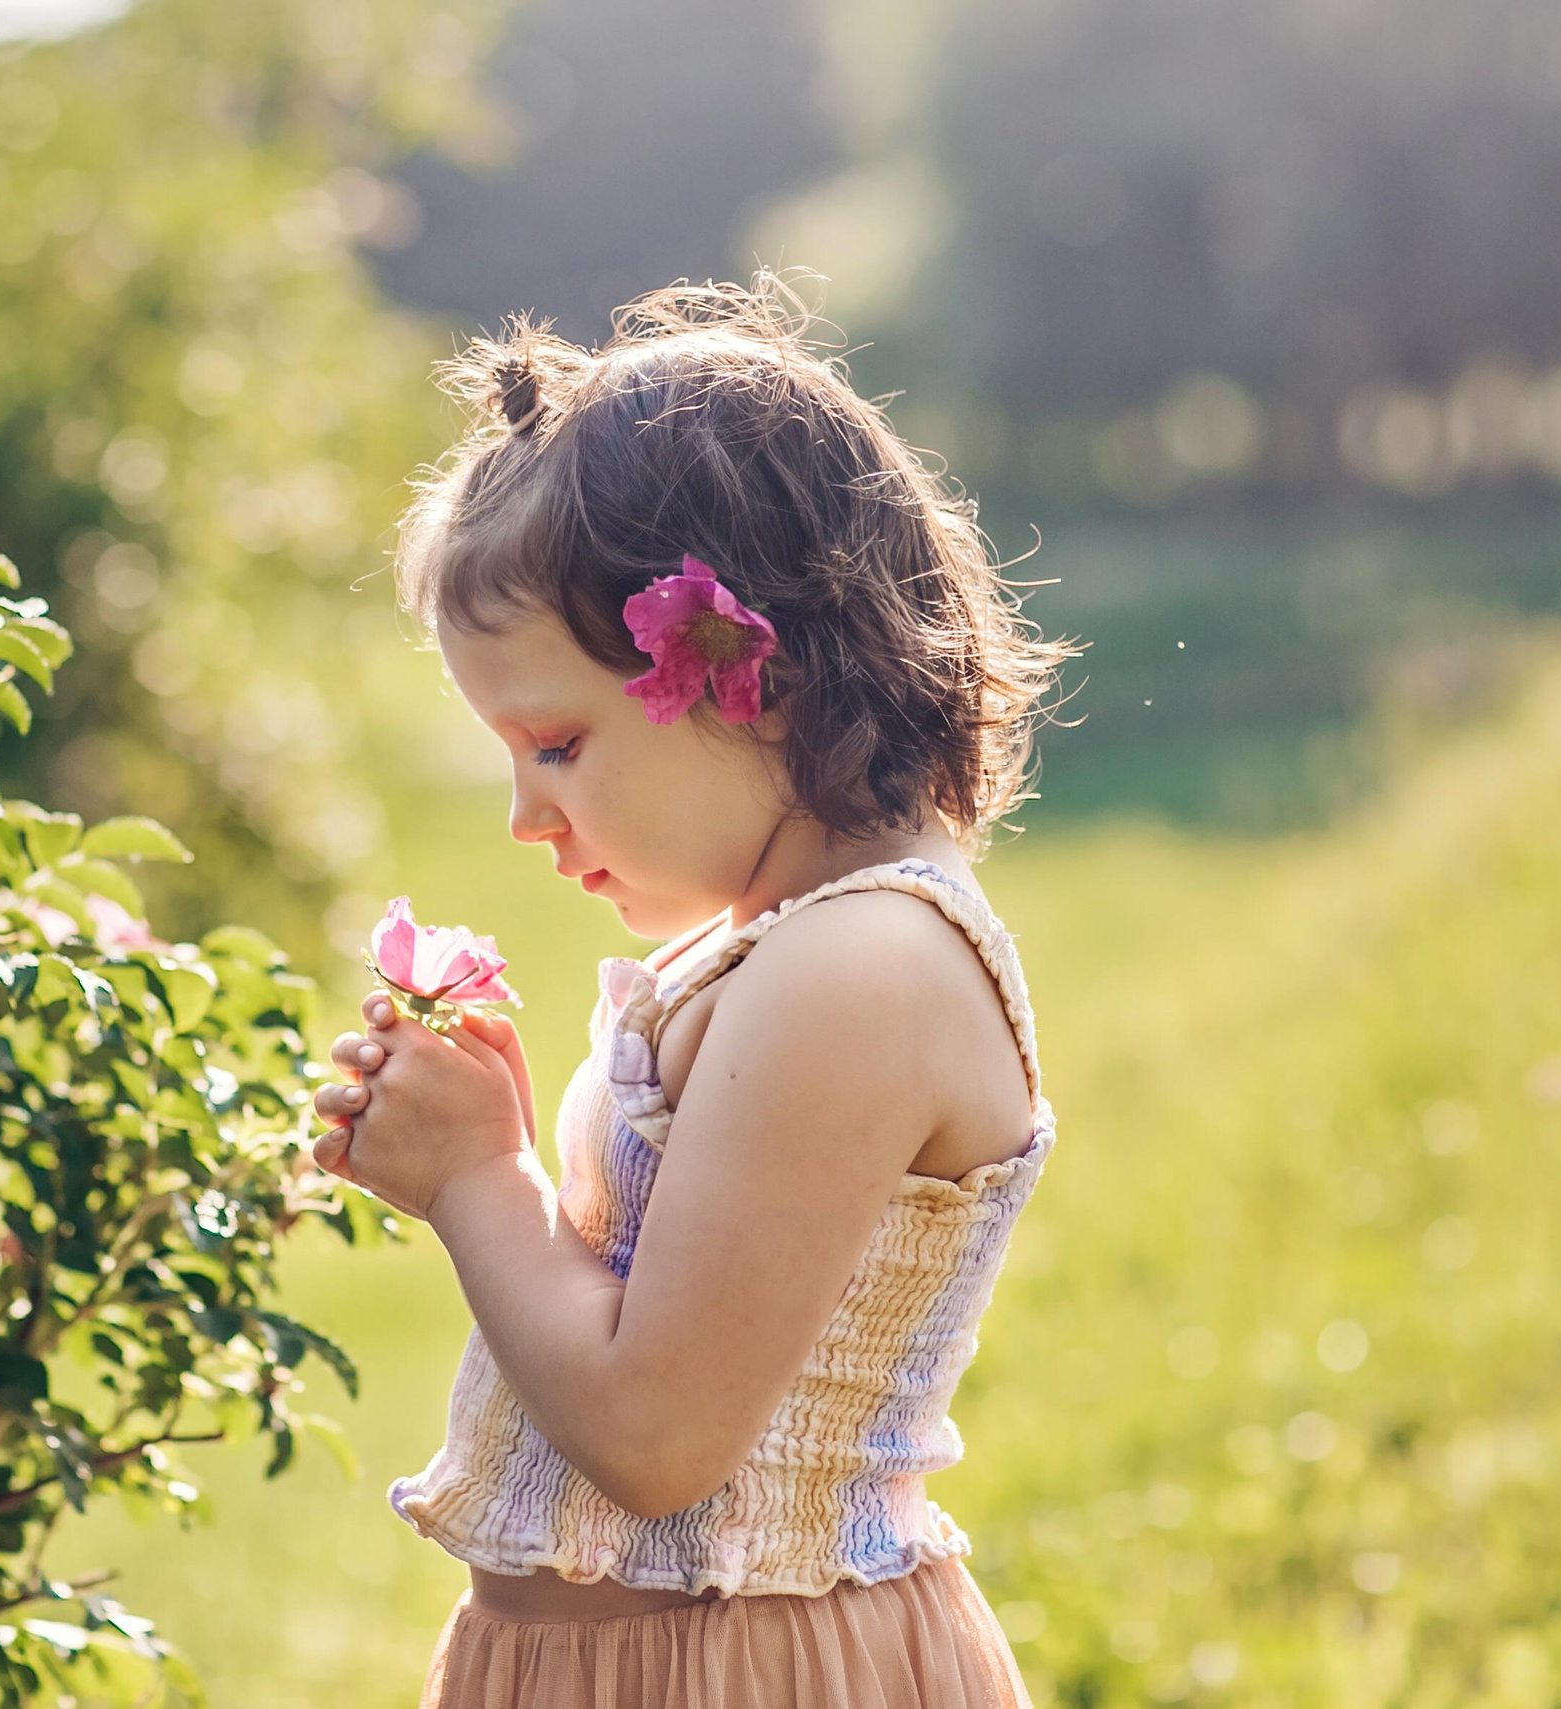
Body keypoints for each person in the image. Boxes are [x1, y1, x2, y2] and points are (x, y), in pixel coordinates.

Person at [308, 275, 1077, 1708]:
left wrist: (480, 1177)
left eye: (557, 745)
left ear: (743, 672)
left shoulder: (858, 971)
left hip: (745, 1668)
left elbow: (658, 1429)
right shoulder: (770, 953)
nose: (526, 818)